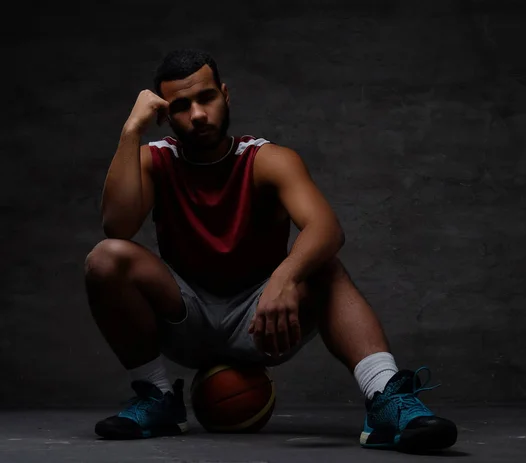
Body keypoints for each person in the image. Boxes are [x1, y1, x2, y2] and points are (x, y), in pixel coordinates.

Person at [84, 48, 458, 452]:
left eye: (206, 97)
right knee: (107, 257)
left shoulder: (267, 160)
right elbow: (117, 227)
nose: (197, 114)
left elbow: (326, 227)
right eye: (180, 106)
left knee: (324, 266)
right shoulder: (153, 161)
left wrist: (285, 277)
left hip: (262, 320)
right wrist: (130, 131)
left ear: (225, 95)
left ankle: (385, 396)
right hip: (185, 319)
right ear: (164, 115)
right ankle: (158, 398)